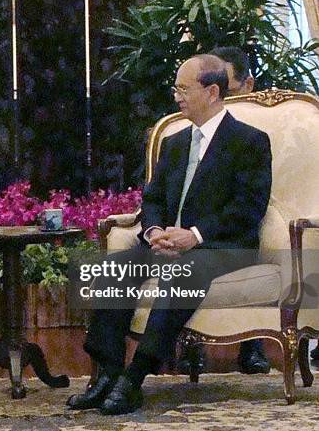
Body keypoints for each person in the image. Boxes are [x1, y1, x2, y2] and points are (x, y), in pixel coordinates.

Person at [66, 54, 272, 415]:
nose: (176, 95)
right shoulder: (174, 142)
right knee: (114, 271)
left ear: (211, 91)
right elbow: (153, 198)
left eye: (183, 88)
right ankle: (107, 374)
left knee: (184, 273)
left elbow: (247, 209)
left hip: (220, 247)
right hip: (166, 243)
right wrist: (155, 230)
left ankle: (135, 378)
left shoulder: (249, 141)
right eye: (175, 88)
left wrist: (194, 234)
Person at [177, 46, 270, 375]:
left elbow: (249, 204)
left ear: (248, 86)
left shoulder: (255, 136)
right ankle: (190, 346)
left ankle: (253, 345)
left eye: (229, 90)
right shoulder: (190, 134)